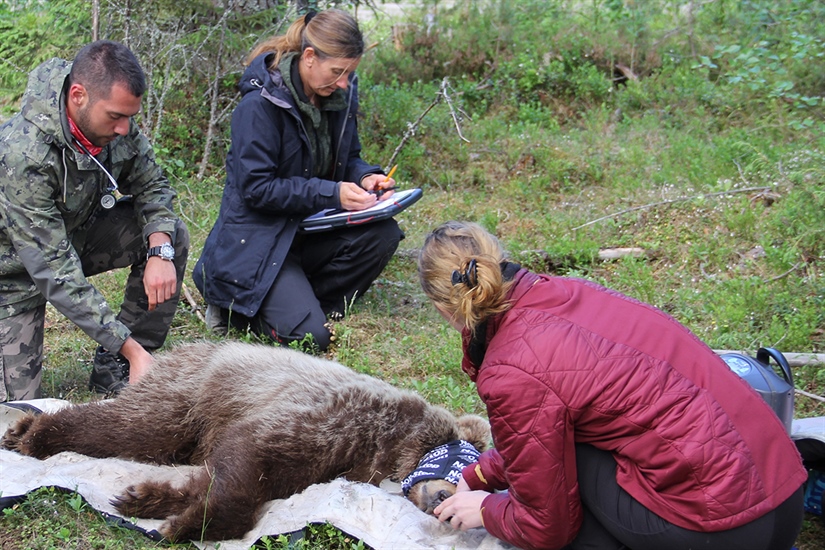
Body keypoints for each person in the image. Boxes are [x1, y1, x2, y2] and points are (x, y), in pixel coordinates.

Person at [418, 221, 806, 550]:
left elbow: (546, 525)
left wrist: (487, 509)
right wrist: (477, 477)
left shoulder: (510, 367)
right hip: (782, 493)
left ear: (441, 307)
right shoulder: (569, 292)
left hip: (721, 527)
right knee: (567, 447)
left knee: (567, 498)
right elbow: (540, 429)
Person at [193, 9, 403, 351]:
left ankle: (298, 303)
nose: (344, 83)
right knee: (312, 340)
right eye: (338, 72)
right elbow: (256, 189)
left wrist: (366, 177)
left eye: (349, 73)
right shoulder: (259, 105)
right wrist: (332, 193)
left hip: (307, 230)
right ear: (309, 57)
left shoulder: (337, 97)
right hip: (258, 241)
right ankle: (235, 307)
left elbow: (348, 158)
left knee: (383, 234)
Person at [0, 41, 189, 400]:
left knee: (170, 235)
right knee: (17, 411)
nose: (124, 128)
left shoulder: (115, 123)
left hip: (74, 237)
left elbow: (152, 184)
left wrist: (160, 252)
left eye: (129, 117)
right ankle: (134, 355)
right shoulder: (23, 156)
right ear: (78, 95)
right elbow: (55, 271)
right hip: (11, 277)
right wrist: (127, 346)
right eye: (116, 117)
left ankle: (119, 367)